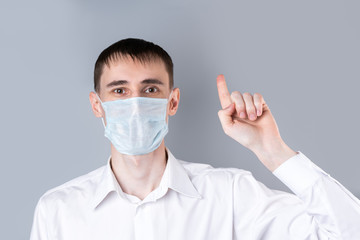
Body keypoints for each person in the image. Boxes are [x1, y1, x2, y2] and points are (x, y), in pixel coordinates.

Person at [30, 38, 360, 240]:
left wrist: (272, 150)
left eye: (150, 90)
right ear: (96, 104)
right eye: (119, 90)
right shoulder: (59, 210)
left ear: (172, 101)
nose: (134, 104)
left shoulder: (229, 195)